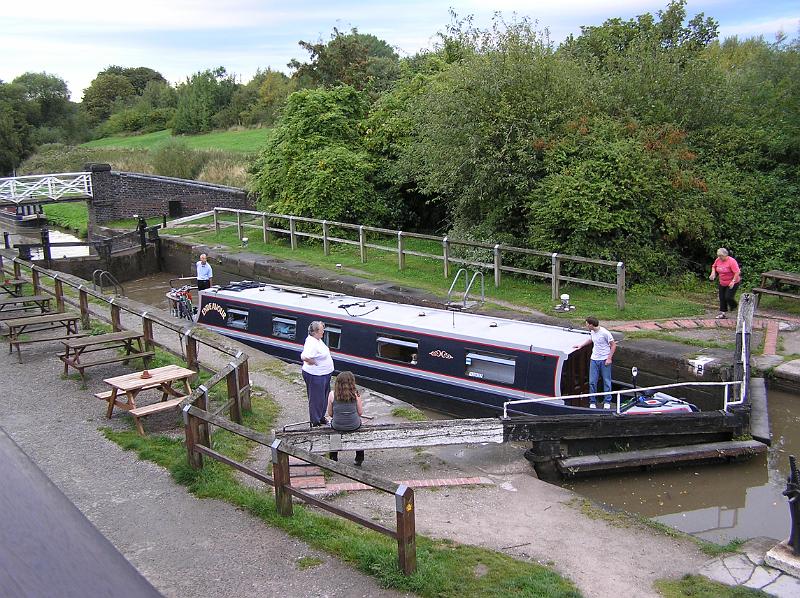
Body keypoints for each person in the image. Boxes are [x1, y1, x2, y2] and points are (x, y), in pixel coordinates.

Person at [573, 316, 617, 409]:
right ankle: (592, 401)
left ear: (591, 325)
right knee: (592, 382)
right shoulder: (592, 331)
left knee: (606, 381)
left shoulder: (605, 333)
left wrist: (609, 358)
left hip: (604, 359)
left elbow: (613, 345)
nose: (586, 326)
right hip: (594, 359)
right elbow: (591, 339)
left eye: (586, 324)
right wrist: (581, 345)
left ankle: (607, 401)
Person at [326, 371, 365, 466]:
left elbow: (330, 414)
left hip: (337, 426)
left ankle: (333, 457)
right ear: (352, 383)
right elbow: (360, 413)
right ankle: (359, 458)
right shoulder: (356, 395)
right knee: (360, 429)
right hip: (354, 425)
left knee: (334, 431)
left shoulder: (332, 394)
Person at [300, 321, 334, 426]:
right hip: (316, 376)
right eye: (321, 330)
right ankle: (315, 422)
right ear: (315, 332)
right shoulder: (312, 343)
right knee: (316, 399)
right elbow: (304, 356)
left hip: (324, 374)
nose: (323, 331)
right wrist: (309, 361)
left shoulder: (317, 340)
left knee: (324, 397)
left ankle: (321, 417)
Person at [709, 248, 741, 319]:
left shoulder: (732, 261)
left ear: (725, 255)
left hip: (733, 282)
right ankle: (723, 313)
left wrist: (733, 281)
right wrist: (713, 273)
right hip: (722, 282)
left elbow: (737, 272)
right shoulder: (718, 260)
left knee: (728, 297)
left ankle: (734, 306)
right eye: (718, 256)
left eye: (721, 256)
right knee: (722, 298)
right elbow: (714, 266)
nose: (719, 258)